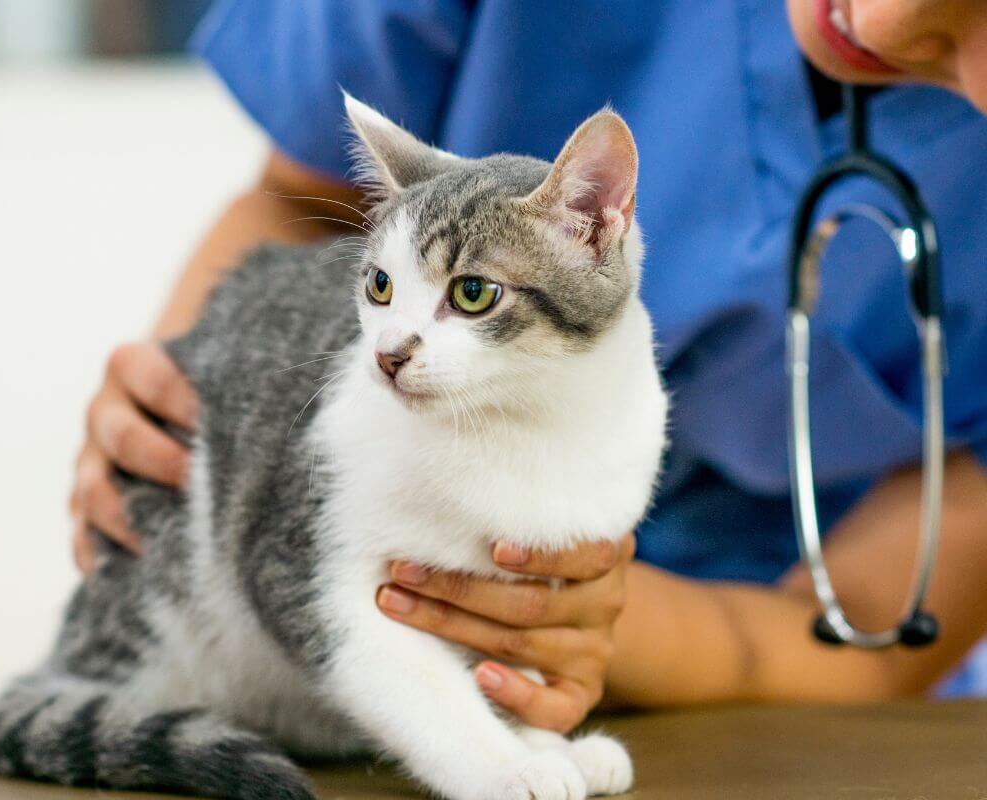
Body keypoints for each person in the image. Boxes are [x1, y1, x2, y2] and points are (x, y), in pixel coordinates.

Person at [69, 0, 987, 732]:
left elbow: (878, 627)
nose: (879, 22)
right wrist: (184, 428)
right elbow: (300, 202)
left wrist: (578, 620)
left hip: (752, 692)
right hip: (349, 598)